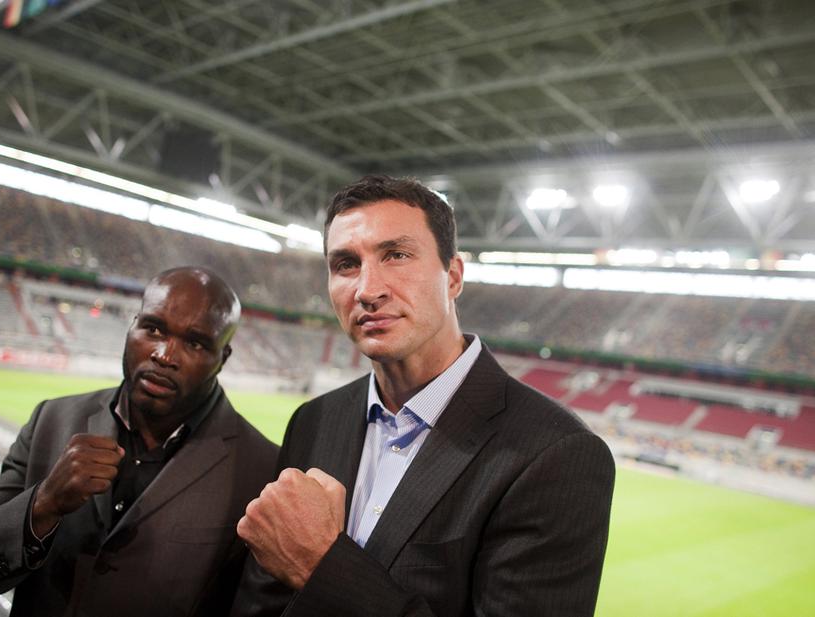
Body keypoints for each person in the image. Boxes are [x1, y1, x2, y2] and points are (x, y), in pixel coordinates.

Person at [231, 176, 615, 617]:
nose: (367, 290)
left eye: (396, 255)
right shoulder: (314, 419)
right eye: (346, 264)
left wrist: (324, 569)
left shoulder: (556, 454)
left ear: (453, 276)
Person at [0, 267, 278, 617]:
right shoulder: (52, 421)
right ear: (132, 326)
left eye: (195, 343)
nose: (164, 355)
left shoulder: (263, 470)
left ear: (222, 358)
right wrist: (43, 505)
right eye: (153, 329)